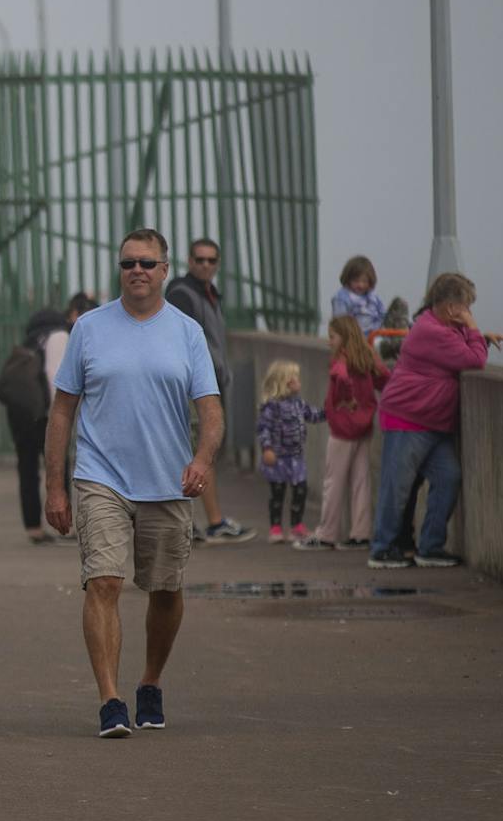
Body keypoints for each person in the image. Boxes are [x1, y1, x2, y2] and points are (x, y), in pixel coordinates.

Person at [45, 228, 221, 739]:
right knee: (103, 581)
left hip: (168, 480)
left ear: (165, 270)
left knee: (165, 589)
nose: (137, 271)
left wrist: (203, 460)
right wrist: (54, 487)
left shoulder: (186, 331)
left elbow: (210, 411)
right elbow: (62, 411)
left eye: (147, 263)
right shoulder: (91, 329)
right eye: (128, 264)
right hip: (100, 475)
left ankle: (149, 682)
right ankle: (110, 700)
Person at [368, 273, 503, 570]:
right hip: (408, 418)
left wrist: (482, 337)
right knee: (396, 487)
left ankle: (430, 546)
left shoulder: (442, 328)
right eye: (467, 307)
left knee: (448, 477)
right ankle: (382, 549)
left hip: (434, 424)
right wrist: (475, 330)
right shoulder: (430, 331)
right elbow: (473, 361)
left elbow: (464, 350)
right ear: (451, 308)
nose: (470, 313)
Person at [164, 240, 252, 543]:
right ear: (189, 261)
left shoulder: (208, 294)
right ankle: (209, 522)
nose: (205, 265)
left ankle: (195, 522)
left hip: (208, 381)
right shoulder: (181, 294)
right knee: (197, 450)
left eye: (211, 260)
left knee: (195, 450)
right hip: (193, 385)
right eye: (199, 260)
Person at [9, 294, 98, 544]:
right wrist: (57, 415)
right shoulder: (60, 335)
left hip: (21, 409)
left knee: (27, 468)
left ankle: (33, 527)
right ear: (74, 313)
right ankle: (64, 525)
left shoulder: (36, 334)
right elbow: (53, 376)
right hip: (40, 411)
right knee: (57, 463)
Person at [299, 316, 387, 551]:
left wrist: (344, 399)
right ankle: (361, 533)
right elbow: (385, 379)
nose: (330, 342)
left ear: (344, 337)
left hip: (342, 429)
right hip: (364, 426)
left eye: (332, 337)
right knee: (361, 481)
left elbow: (342, 379)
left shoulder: (341, 362)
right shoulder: (368, 358)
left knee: (333, 481)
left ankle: (327, 533)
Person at [254, 361, 324, 544]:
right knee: (278, 492)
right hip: (278, 457)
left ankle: (296, 525)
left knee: (300, 489)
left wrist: (330, 412)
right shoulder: (272, 406)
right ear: (284, 382)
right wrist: (267, 448)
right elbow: (264, 428)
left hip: (296, 456)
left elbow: (313, 415)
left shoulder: (299, 404)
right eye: (295, 378)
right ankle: (275, 527)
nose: (299, 382)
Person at [332, 255, 385, 336]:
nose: (360, 285)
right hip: (355, 338)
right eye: (356, 281)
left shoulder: (373, 297)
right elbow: (341, 322)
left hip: (375, 335)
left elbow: (383, 314)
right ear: (348, 279)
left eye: (364, 281)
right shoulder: (342, 297)